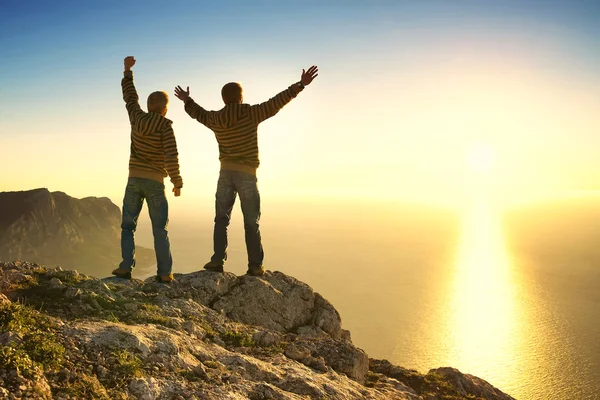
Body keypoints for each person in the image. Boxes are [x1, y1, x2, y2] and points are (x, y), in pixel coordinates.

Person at [174, 66, 318, 276]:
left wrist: (187, 100)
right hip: (247, 175)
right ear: (241, 97)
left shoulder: (216, 119)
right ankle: (255, 265)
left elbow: (198, 114)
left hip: (225, 174)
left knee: (221, 219)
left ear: (224, 99)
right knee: (251, 222)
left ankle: (217, 260)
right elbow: (276, 102)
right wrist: (300, 85)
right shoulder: (251, 113)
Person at [111, 56, 183, 283]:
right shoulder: (165, 126)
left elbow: (130, 97)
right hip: (155, 183)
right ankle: (164, 272)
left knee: (127, 227)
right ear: (164, 109)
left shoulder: (137, 118)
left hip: (134, 181)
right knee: (160, 230)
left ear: (149, 106)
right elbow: (171, 156)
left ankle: (125, 266)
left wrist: (127, 71)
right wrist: (177, 182)